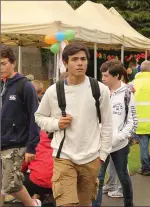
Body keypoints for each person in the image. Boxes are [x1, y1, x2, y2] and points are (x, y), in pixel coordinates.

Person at [35, 43, 113, 206]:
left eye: (83, 59)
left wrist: (102, 156)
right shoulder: (53, 91)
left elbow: (107, 124)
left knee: (84, 204)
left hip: (91, 157)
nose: (80, 63)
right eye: (75, 59)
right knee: (66, 204)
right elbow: (39, 117)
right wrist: (56, 123)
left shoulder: (99, 89)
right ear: (65, 63)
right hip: (64, 157)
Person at [1, 45, 41, 207]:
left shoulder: (25, 86)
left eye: (3, 63)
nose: (0, 67)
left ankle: (33, 204)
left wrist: (31, 147)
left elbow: (35, 118)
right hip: (2, 141)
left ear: (13, 63)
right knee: (3, 185)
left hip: (16, 144)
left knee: (11, 185)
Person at [93, 60, 137, 207]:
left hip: (119, 145)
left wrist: (119, 137)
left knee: (123, 176)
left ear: (117, 76)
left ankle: (129, 203)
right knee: (98, 177)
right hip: (100, 144)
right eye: (102, 75)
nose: (103, 79)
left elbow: (133, 122)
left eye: (106, 76)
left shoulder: (128, 93)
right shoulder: (99, 91)